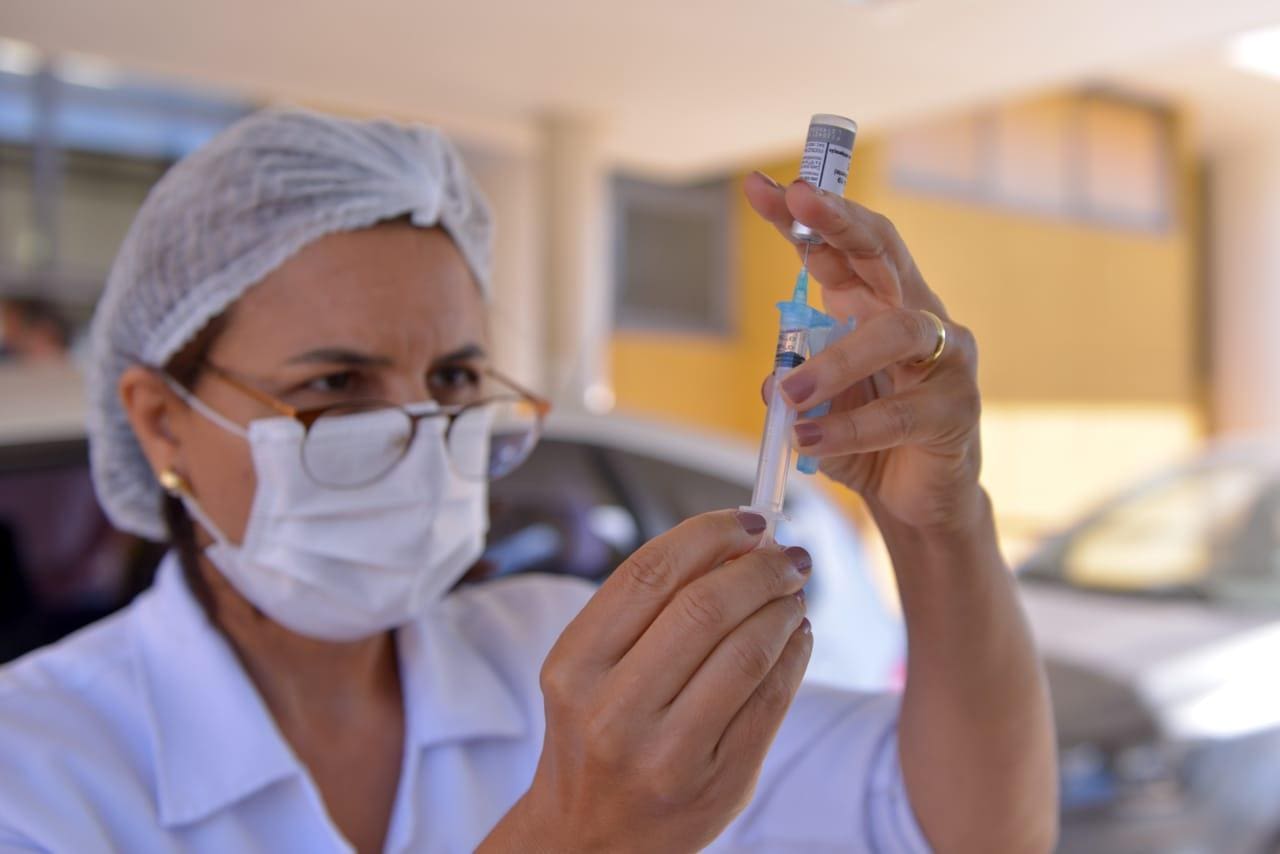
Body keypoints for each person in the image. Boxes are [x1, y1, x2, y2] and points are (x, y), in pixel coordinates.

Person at [0, 108, 1057, 853]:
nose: (421, 434)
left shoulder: (561, 659)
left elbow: (955, 828)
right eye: (334, 383)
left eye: (456, 376)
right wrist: (579, 832)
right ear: (158, 419)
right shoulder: (37, 766)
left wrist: (941, 523)